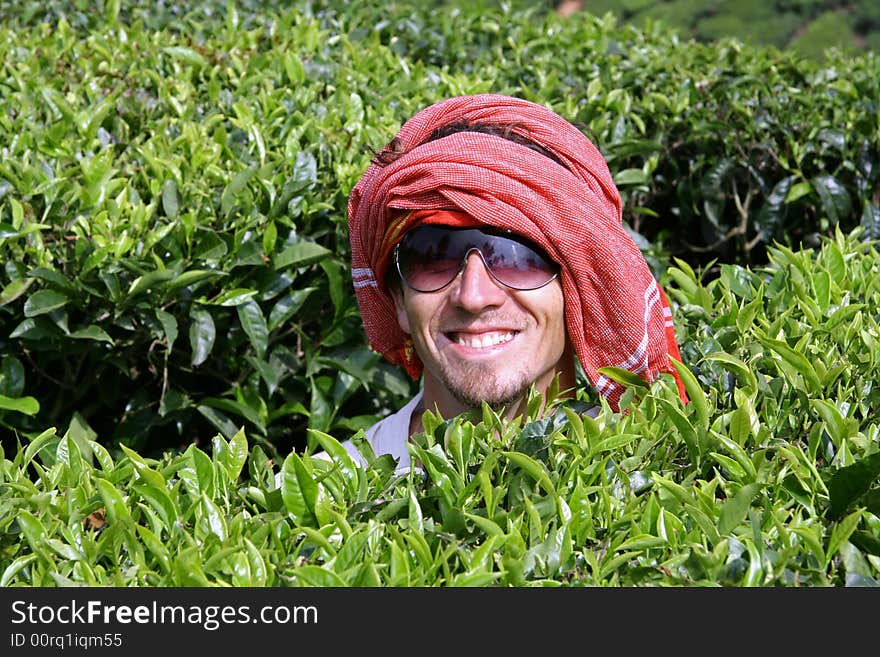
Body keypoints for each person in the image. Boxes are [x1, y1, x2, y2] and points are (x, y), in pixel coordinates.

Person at [337, 93, 687, 470]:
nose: (473, 296)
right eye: (434, 257)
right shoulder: (320, 498)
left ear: (579, 289)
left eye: (518, 256)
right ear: (400, 300)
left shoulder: (663, 478)